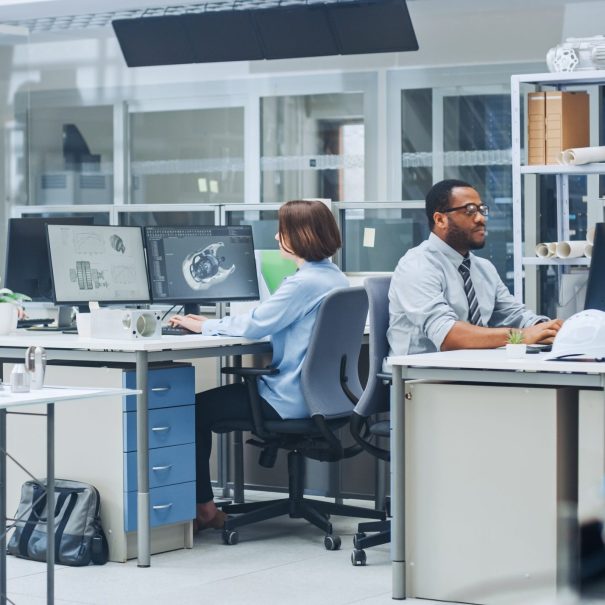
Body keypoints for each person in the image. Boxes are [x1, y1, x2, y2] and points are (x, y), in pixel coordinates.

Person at [169, 200, 349, 530]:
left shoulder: (302, 284)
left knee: (191, 411)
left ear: (300, 236)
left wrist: (204, 325)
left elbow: (254, 326)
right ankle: (203, 505)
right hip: (326, 399)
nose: (279, 236)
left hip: (287, 400)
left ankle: (205, 510)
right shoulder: (336, 279)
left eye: (284, 230)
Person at [387, 179, 563, 357]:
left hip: (471, 369)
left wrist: (547, 328)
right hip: (418, 375)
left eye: (481, 210)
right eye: (470, 211)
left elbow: (514, 315)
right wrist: (521, 336)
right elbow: (448, 336)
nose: (481, 218)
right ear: (440, 220)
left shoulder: (483, 268)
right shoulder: (417, 266)